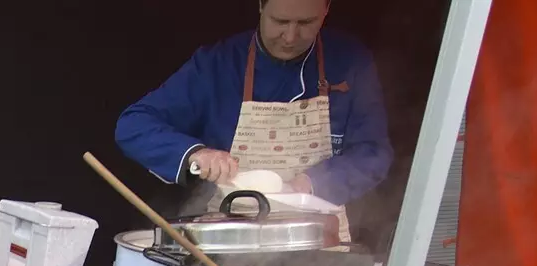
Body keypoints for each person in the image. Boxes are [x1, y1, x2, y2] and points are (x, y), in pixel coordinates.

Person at [114, 0, 393, 244]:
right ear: (260, 5)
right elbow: (134, 124)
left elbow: (374, 152)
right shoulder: (219, 64)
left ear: (327, 9)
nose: (290, 36)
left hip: (320, 247)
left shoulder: (351, 62)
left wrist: (311, 183)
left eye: (306, 22)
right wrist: (196, 154)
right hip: (230, 243)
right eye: (280, 21)